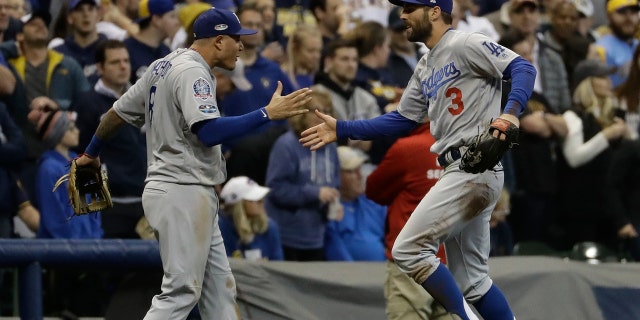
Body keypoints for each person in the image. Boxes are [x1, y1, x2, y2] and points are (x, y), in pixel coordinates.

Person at [299, 0, 537, 318]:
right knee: (473, 282)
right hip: (464, 168)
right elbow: (401, 120)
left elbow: (523, 67)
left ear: (435, 11)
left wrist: (511, 112)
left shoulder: (465, 42)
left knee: (408, 249)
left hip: (473, 162)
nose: (402, 15)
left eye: (410, 8)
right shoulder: (425, 64)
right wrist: (343, 128)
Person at [74, 7, 312, 320]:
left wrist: (90, 153)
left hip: (182, 190)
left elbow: (115, 114)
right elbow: (209, 131)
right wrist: (266, 113)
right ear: (218, 41)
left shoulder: (164, 64)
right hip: (181, 190)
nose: (242, 46)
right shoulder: (192, 72)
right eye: (236, 39)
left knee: (220, 292)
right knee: (181, 291)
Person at [265, 89, 341, 261]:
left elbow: (335, 184)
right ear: (302, 113)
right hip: (288, 238)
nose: (322, 116)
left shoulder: (331, 147)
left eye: (327, 111)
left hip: (318, 236)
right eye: (316, 110)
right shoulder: (286, 146)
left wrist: (334, 201)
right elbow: (276, 189)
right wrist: (315, 193)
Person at [324, 146, 387, 261]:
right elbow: (334, 248)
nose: (360, 175)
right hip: (347, 275)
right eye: (351, 171)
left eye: (360, 169)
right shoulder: (329, 209)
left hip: (382, 273)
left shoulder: (374, 204)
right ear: (335, 175)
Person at [219, 176, 284, 261]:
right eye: (254, 199)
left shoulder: (270, 228)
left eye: (260, 197)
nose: (261, 201)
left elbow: (278, 266)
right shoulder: (221, 229)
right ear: (239, 205)